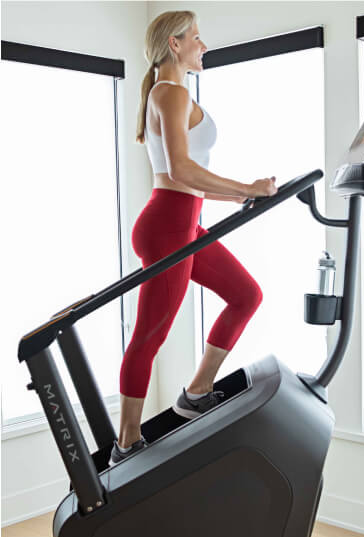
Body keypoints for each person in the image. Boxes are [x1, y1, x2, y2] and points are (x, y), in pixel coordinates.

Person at [110, 10, 277, 465]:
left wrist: (238, 199)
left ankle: (197, 390)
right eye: (197, 39)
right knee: (149, 336)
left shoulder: (168, 93)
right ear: (175, 45)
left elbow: (187, 181)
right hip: (168, 226)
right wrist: (246, 187)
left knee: (245, 294)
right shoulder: (171, 92)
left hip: (183, 221)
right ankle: (125, 443)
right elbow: (181, 171)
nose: (204, 47)